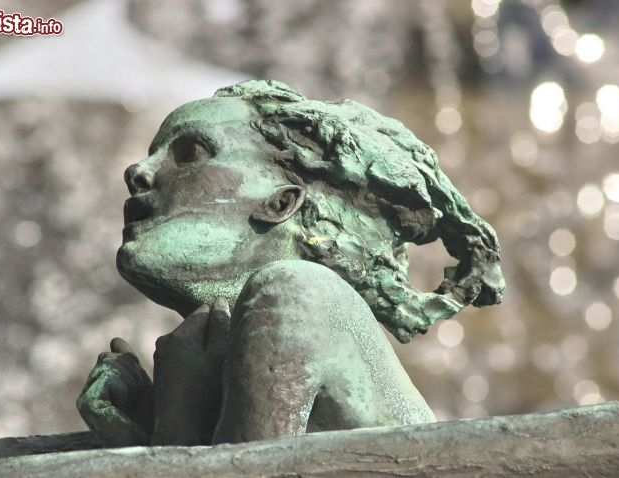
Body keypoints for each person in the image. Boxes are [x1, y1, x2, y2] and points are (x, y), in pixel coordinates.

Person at [77, 80, 504, 446]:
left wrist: (177, 418)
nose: (138, 170)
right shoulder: (284, 319)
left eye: (190, 153)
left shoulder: (297, 293)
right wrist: (133, 432)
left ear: (281, 202)